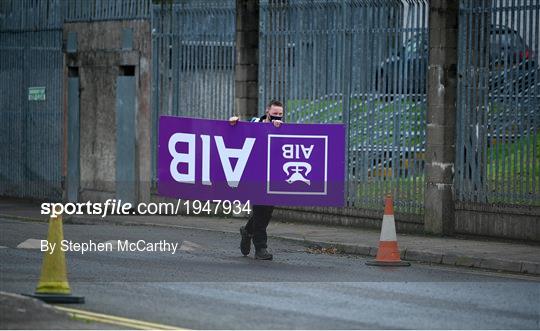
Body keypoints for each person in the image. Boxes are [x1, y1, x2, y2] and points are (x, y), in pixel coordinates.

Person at [228, 100, 284, 260]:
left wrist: (279, 131)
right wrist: (233, 124)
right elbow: (239, 132)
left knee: (266, 211)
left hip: (272, 176)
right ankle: (261, 248)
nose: (278, 116)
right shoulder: (255, 123)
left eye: (280, 114)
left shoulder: (283, 127)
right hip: (254, 175)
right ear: (267, 111)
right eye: (275, 113)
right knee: (260, 209)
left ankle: (247, 232)